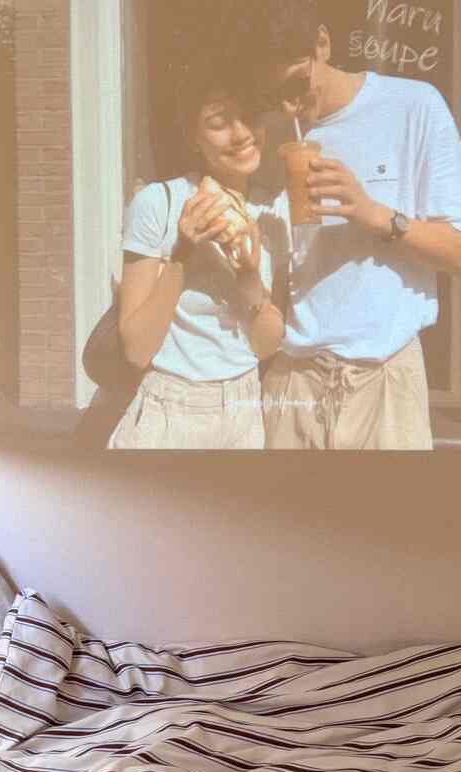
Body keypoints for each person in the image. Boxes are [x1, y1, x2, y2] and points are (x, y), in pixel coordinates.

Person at [223, 0, 461, 450]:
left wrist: (376, 215)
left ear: (322, 44)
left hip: (384, 382)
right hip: (292, 381)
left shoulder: (413, 106)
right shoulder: (267, 134)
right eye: (273, 94)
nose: (288, 104)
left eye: (296, 84)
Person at [108, 74, 289, 450]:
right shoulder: (160, 203)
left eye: (248, 116)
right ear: (194, 136)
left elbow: (266, 346)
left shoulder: (274, 212)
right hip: (170, 410)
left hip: (246, 411)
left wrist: (249, 276)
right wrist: (183, 256)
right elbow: (136, 350)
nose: (240, 134)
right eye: (219, 123)